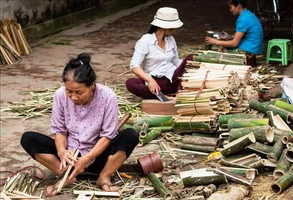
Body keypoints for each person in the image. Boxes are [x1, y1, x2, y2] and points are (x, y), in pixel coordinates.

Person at [20, 53, 139, 196]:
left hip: (98, 157)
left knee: (130, 135)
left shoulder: (108, 97)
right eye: (69, 91)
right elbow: (59, 130)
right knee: (28, 139)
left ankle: (104, 176)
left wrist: (87, 158)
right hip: (69, 160)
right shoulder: (59, 95)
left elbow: (107, 136)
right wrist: (62, 152)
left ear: (92, 86)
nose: (73, 97)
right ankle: (66, 176)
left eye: (79, 92)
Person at [126, 7, 193, 99]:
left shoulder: (171, 40)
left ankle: (180, 93)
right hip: (156, 84)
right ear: (166, 27)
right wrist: (150, 80)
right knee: (131, 83)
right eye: (173, 27)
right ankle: (162, 97)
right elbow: (134, 66)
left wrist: (188, 69)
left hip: (173, 80)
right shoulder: (145, 41)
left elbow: (176, 61)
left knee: (191, 57)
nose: (174, 30)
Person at [205, 0, 263, 65]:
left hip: (249, 51)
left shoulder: (243, 20)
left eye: (231, 7)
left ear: (238, 6)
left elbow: (234, 43)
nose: (230, 10)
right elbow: (242, 34)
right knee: (225, 45)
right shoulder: (248, 14)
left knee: (221, 50)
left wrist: (215, 42)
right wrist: (229, 37)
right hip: (252, 49)